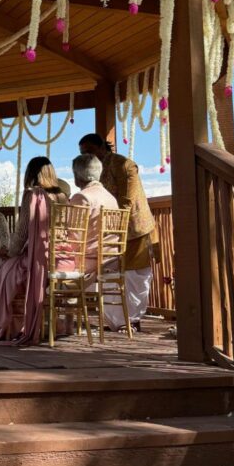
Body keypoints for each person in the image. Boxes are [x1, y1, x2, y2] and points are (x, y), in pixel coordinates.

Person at [0, 157, 69, 344]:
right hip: (63, 257)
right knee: (7, 269)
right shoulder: (62, 196)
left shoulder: (33, 195)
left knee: (1, 272)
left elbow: (22, 232)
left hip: (38, 260)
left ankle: (6, 326)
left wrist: (10, 252)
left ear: (30, 174)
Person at [79, 133, 157, 331]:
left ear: (102, 148)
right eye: (83, 153)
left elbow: (126, 200)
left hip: (133, 227)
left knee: (133, 276)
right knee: (109, 273)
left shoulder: (124, 165)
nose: (87, 155)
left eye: (89, 151)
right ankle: (114, 321)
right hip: (108, 229)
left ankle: (132, 320)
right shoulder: (94, 171)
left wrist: (117, 225)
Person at [68, 153, 118, 277]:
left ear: (77, 176)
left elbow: (75, 236)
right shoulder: (111, 197)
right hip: (113, 260)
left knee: (46, 265)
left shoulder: (82, 197)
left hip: (89, 264)